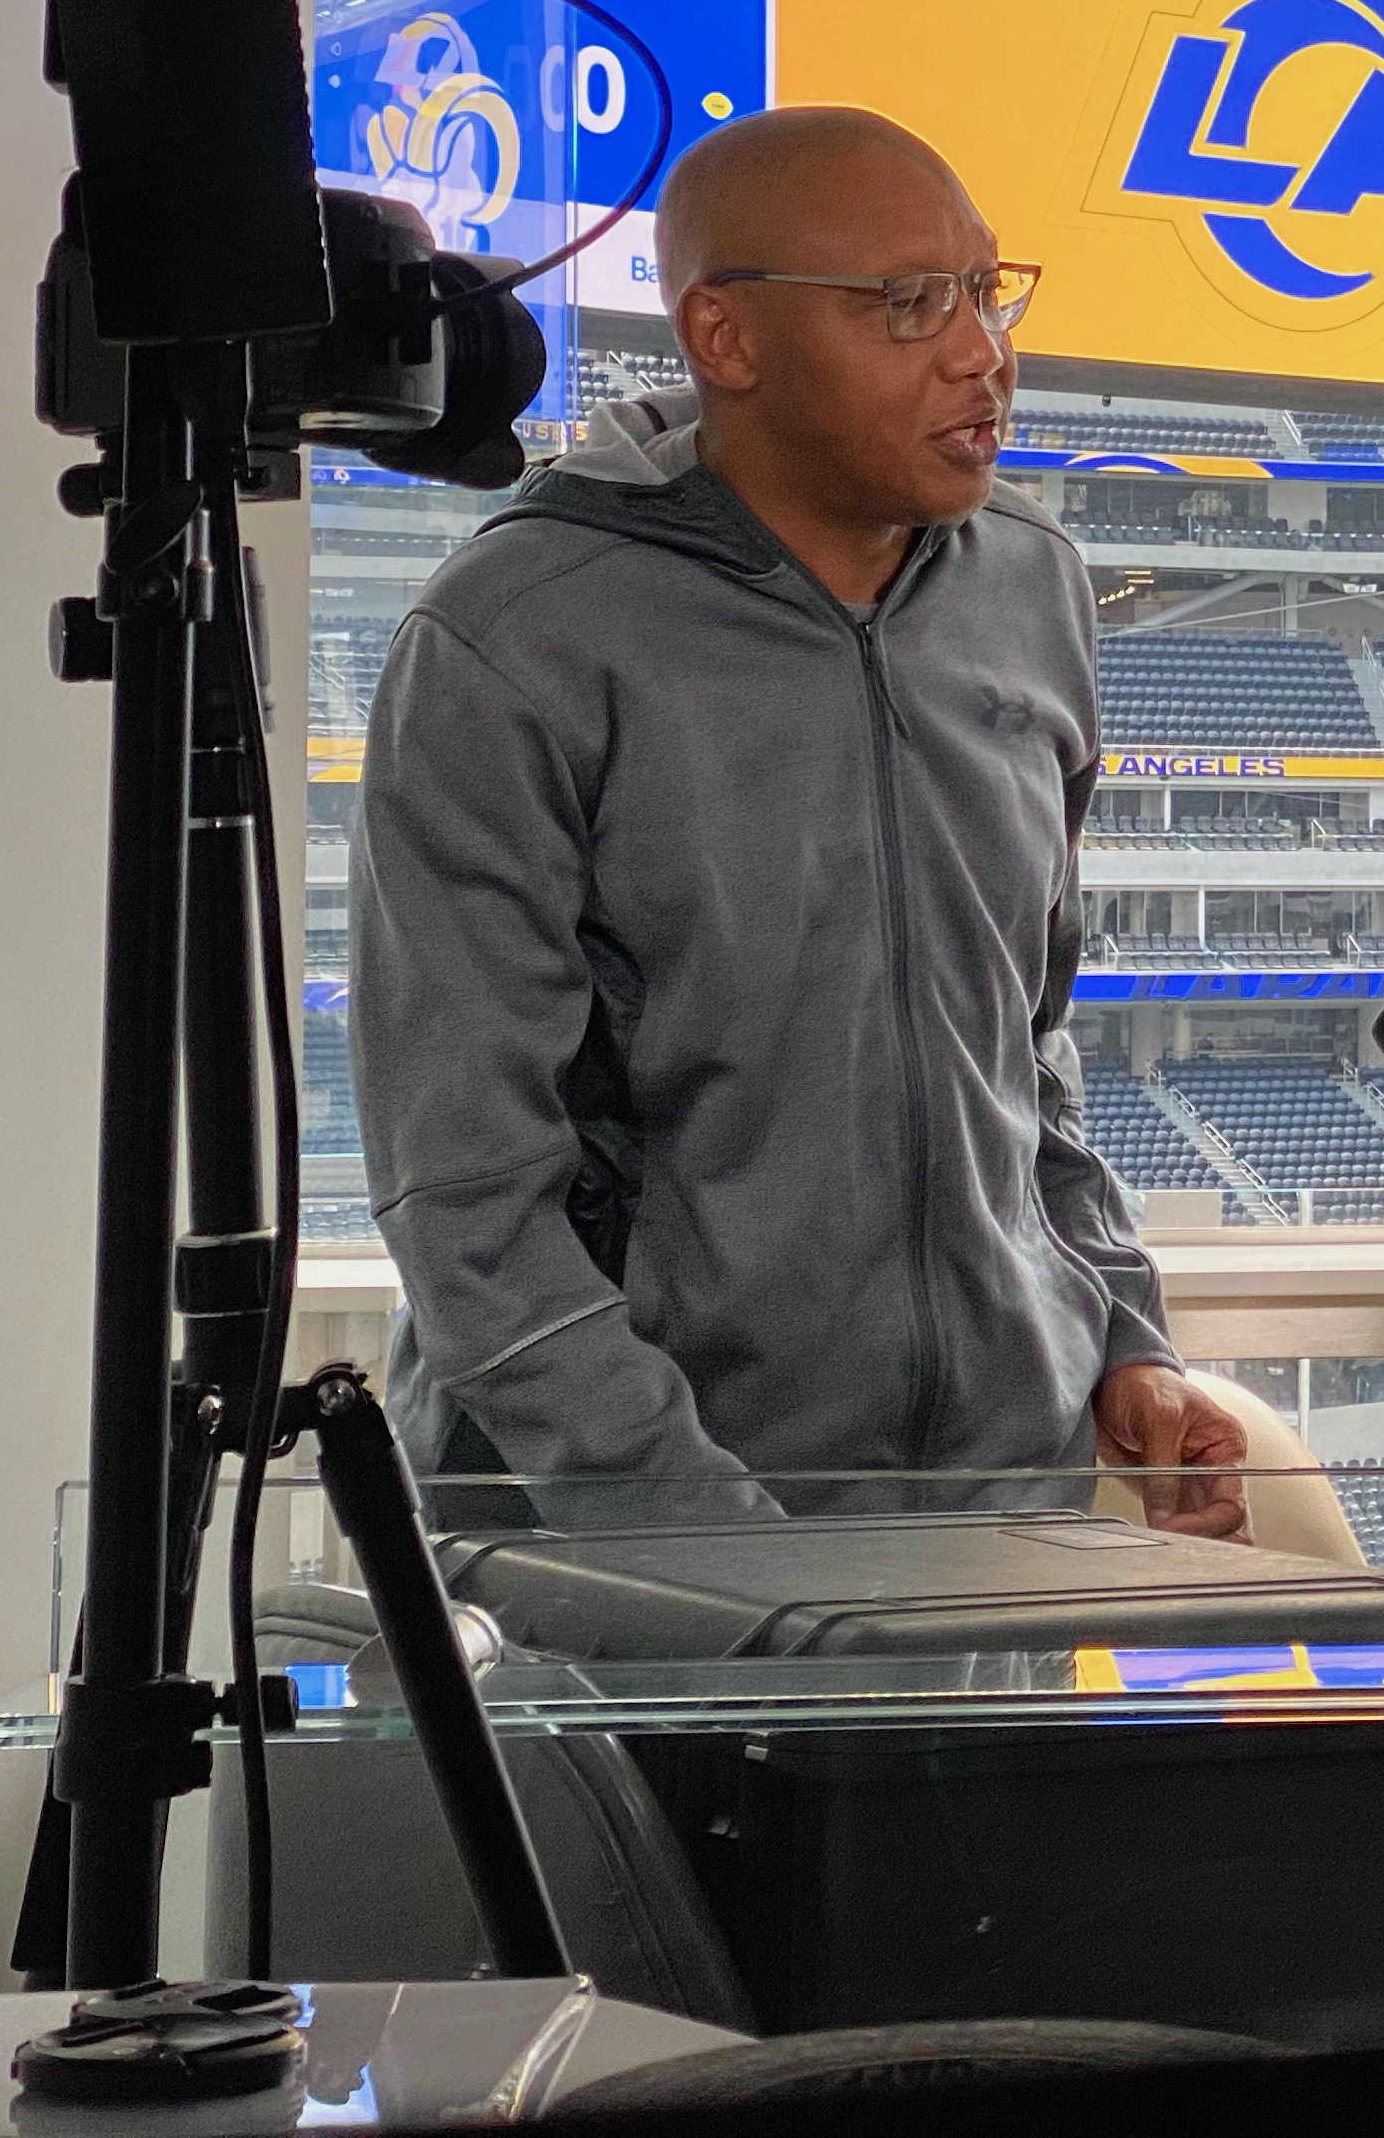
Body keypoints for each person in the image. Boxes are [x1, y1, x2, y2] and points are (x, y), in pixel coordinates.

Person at [350, 105, 1279, 1533]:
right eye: (907, 304)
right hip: (622, 1562)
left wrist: (1120, 1340)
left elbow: (1020, 1044)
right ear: (725, 338)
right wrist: (697, 1531)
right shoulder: (514, 638)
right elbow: (464, 1188)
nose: (981, 353)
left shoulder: (1034, 586)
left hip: (990, 1524)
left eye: (985, 290)